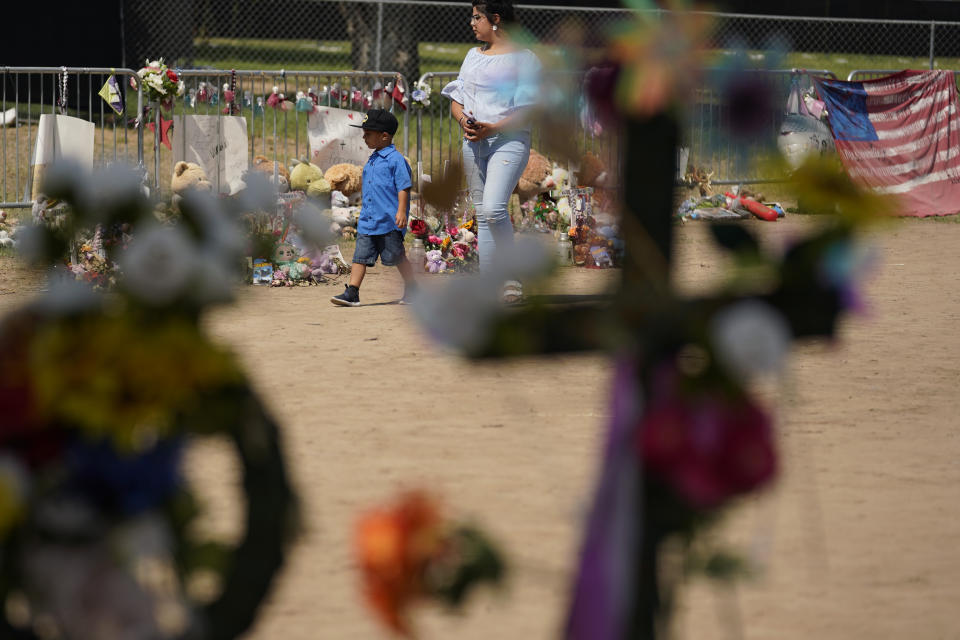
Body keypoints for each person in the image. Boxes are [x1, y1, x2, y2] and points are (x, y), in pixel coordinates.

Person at [441, 0, 541, 303]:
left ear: (495, 19)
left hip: (508, 142)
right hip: (473, 142)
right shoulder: (472, 56)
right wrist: (464, 121)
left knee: (495, 208)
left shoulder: (526, 60)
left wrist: (493, 129)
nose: (472, 23)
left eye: (477, 17)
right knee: (483, 214)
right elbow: (456, 99)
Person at [330, 108, 417, 307]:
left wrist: (402, 211)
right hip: (368, 220)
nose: (364, 137)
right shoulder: (373, 159)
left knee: (397, 256)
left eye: (368, 134)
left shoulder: (396, 161)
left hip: (388, 221)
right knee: (359, 256)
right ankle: (352, 292)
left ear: (384, 136)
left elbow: (404, 186)